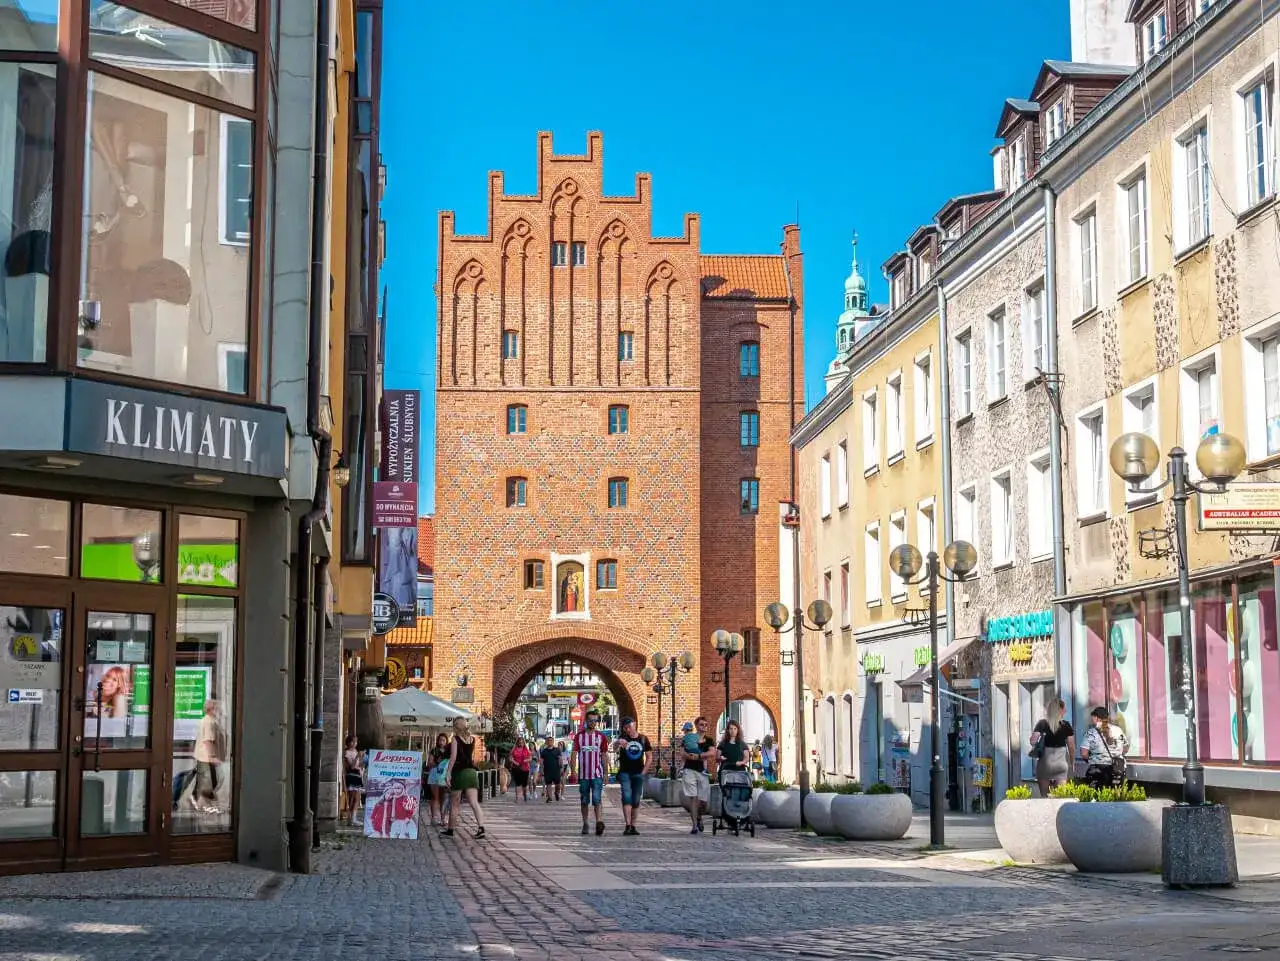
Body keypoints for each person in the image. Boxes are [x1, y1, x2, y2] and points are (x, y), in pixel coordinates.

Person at [442, 716, 486, 839]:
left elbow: (453, 758)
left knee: (455, 803)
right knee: (474, 803)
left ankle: (450, 831)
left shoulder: (455, 739)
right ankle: (481, 827)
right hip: (472, 772)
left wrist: (448, 773)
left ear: (456, 726)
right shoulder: (472, 739)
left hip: (460, 772)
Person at [571, 710, 609, 836]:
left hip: (597, 774)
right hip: (583, 775)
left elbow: (604, 756)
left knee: (597, 799)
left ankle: (599, 822)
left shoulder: (601, 737)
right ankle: (585, 823)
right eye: (590, 720)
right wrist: (573, 771)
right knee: (584, 800)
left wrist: (605, 774)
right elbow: (574, 755)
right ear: (586, 721)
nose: (592, 723)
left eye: (595, 720)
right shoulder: (579, 737)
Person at [1029, 697, 1076, 797]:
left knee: (1044, 796)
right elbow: (1071, 747)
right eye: (1064, 709)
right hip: (1061, 762)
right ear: (1060, 710)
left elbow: (1033, 741)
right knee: (1060, 796)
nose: (1066, 711)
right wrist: (1072, 763)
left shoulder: (1042, 723)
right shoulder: (1066, 725)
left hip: (1045, 763)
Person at [613, 717, 652, 835]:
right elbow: (614, 749)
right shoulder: (623, 739)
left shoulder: (643, 739)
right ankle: (628, 825)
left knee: (636, 800)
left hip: (638, 773)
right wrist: (617, 742)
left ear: (634, 725)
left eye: (629, 727)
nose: (628, 730)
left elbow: (649, 756)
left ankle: (634, 825)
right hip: (625, 772)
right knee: (626, 797)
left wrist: (644, 772)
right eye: (625, 728)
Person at [679, 717, 716, 834]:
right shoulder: (688, 738)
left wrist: (699, 756)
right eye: (701, 724)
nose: (704, 727)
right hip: (689, 770)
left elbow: (712, 752)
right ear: (696, 726)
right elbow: (682, 752)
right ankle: (694, 825)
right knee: (693, 798)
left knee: (703, 802)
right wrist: (691, 757)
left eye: (705, 725)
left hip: (702, 772)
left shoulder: (709, 740)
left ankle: (699, 817)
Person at [1081, 706, 1129, 788]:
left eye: (1092, 717)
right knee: (1115, 795)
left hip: (1097, 770)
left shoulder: (1091, 733)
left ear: (1096, 718)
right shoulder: (1118, 730)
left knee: (1097, 796)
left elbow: (1084, 753)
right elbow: (1126, 748)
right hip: (1117, 769)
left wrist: (1092, 759)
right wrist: (1116, 754)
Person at [193, 699, 224, 815]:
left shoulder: (206, 720)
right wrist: (212, 756)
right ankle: (204, 804)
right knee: (213, 781)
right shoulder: (209, 722)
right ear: (211, 709)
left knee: (207, 781)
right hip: (206, 757)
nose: (219, 711)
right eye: (217, 708)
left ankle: (199, 802)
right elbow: (208, 740)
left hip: (203, 756)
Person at [425, 732, 451, 826]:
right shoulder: (434, 750)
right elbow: (429, 764)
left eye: (443, 740)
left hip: (444, 776)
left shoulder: (449, 751)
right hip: (435, 775)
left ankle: (443, 818)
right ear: (437, 741)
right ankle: (434, 818)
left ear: (446, 741)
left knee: (444, 798)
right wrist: (437, 762)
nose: (441, 742)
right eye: (440, 740)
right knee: (435, 797)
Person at [343, 735, 364, 826]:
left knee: (357, 798)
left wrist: (361, 759)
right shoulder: (346, 753)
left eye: (356, 741)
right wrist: (357, 757)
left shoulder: (355, 751)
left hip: (358, 775)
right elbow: (351, 766)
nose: (355, 743)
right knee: (352, 798)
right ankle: (349, 818)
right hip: (351, 775)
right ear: (348, 742)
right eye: (353, 741)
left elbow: (359, 764)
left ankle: (354, 818)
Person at [539, 734, 564, 802]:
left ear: (553, 742)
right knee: (548, 784)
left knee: (558, 784)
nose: (550, 742)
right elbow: (541, 761)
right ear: (547, 742)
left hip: (556, 770)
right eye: (548, 741)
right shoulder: (544, 751)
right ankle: (549, 797)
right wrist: (541, 770)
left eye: (551, 740)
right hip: (547, 770)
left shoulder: (557, 750)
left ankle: (556, 793)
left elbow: (560, 759)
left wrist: (561, 768)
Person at [509, 737, 533, 802]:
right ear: (517, 742)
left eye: (522, 742)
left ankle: (525, 795)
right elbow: (510, 758)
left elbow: (530, 758)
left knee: (524, 784)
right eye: (519, 742)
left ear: (524, 742)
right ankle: (517, 798)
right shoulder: (514, 749)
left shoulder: (526, 749)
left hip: (525, 768)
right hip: (516, 768)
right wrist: (514, 762)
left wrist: (526, 760)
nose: (521, 743)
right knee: (517, 783)